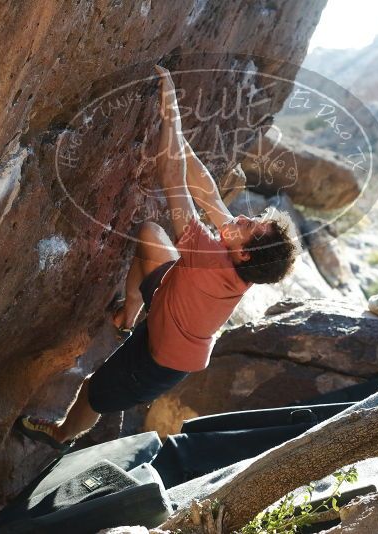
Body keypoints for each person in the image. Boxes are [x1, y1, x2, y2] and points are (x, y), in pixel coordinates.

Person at [15, 66, 298, 451]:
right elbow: (204, 188)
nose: (245, 218)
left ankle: (60, 435)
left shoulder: (209, 257)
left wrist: (171, 110)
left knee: (92, 391)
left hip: (161, 358)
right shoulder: (238, 253)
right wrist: (176, 130)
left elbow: (173, 177)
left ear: (245, 251)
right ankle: (127, 317)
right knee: (150, 234)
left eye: (252, 226)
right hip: (169, 302)